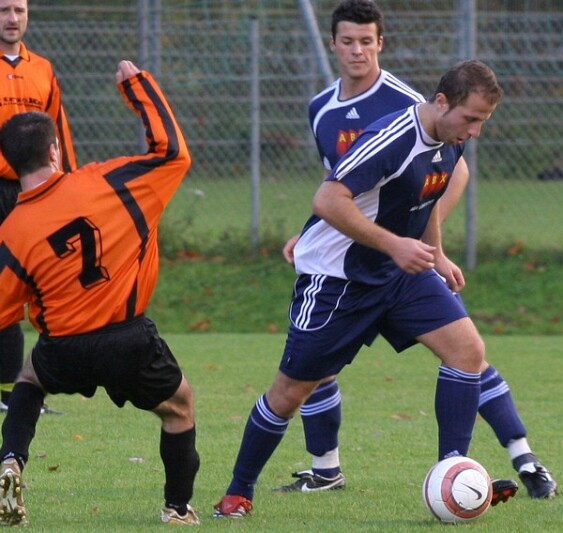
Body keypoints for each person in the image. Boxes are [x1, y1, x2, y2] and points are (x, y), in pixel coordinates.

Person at [212, 60, 545, 519]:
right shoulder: (392, 137)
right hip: (338, 281)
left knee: (467, 351)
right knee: (289, 393)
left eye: (483, 122)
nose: (475, 131)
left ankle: (453, 471)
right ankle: (238, 493)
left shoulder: (451, 139)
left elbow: (428, 195)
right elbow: (327, 199)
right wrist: (394, 244)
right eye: (471, 118)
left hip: (398, 274)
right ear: (441, 102)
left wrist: (436, 252)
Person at [277, 0, 557, 503]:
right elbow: (338, 185)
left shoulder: (411, 102)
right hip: (351, 262)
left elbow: (449, 174)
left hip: (404, 262)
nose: (358, 51)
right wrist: (311, 232)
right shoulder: (321, 107)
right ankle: (325, 470)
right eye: (348, 41)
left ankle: (524, 458)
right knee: (319, 365)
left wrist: (428, 243)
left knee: (465, 352)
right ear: (333, 44)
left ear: (380, 43)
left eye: (367, 41)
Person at [0, 60, 199, 527]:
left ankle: (11, 459)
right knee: (179, 409)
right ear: (54, 150)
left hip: (63, 348)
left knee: (29, 379)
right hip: (128, 339)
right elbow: (173, 153)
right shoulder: (108, 182)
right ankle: (177, 508)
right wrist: (138, 87)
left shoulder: (13, 231)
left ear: (9, 161)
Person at [0, 0, 77, 415]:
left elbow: (57, 133)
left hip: (33, 193)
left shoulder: (43, 69)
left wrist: (68, 185)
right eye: (3, 10)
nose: (12, 19)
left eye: (19, 10)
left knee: (42, 289)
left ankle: (21, 390)